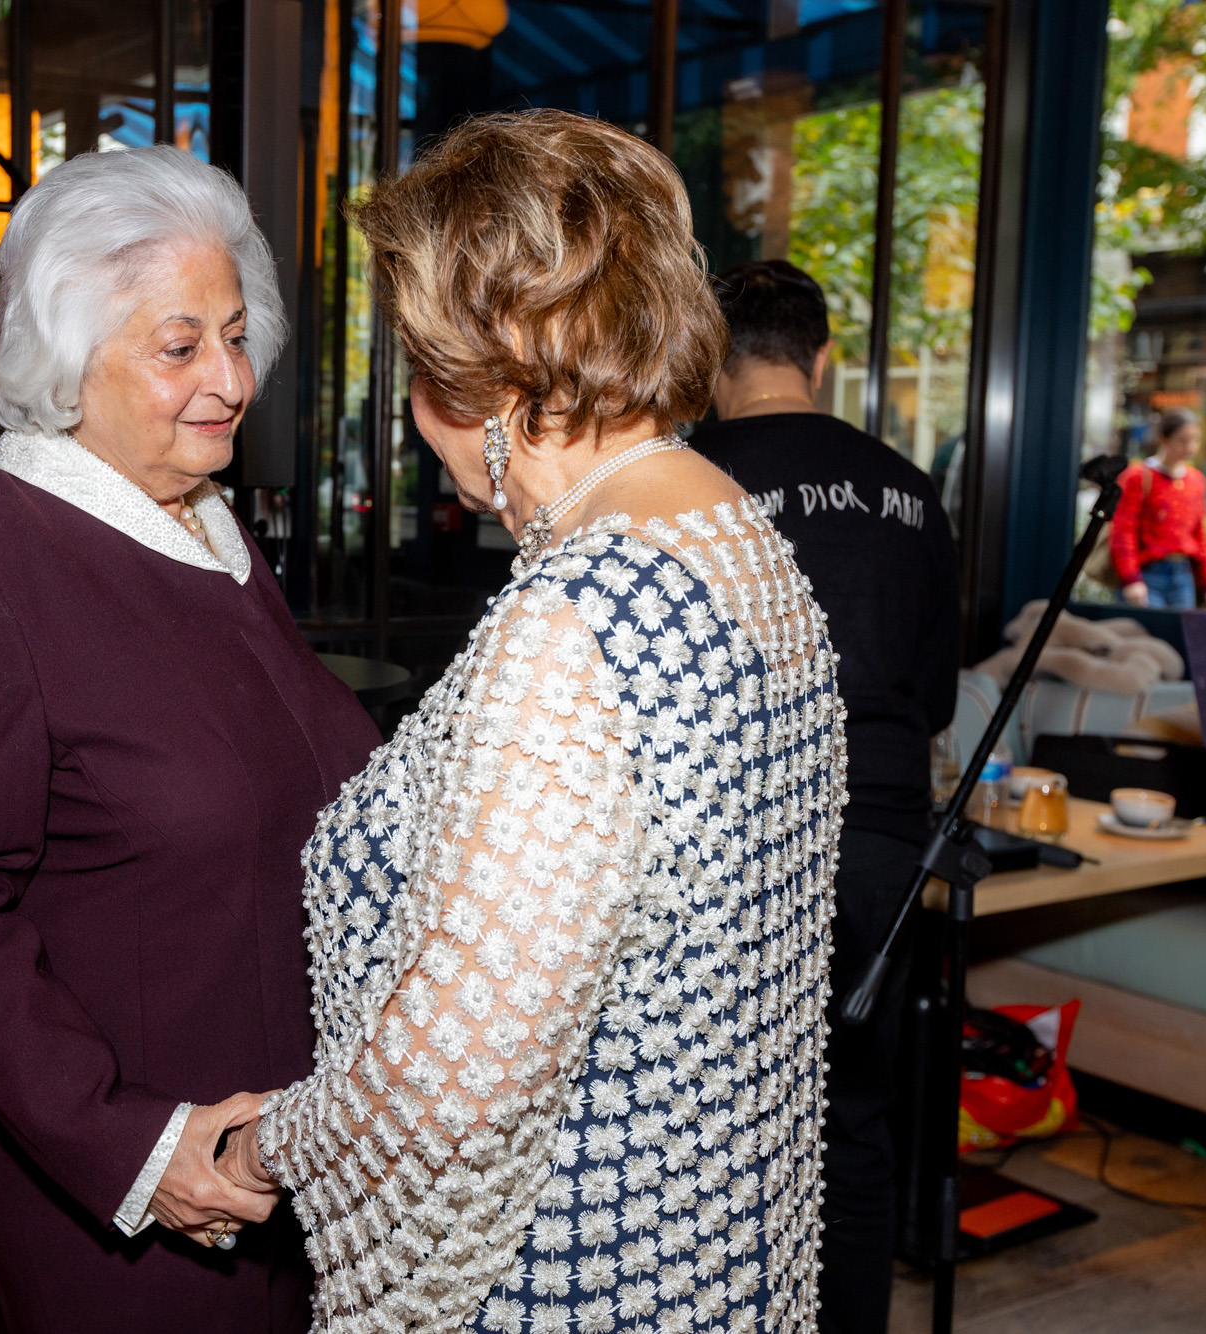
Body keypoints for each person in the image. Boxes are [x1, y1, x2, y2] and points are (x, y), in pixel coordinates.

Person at [217, 110, 844, 1333]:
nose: (413, 408)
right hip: (714, 1252)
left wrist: (262, 1146)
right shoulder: (736, 538)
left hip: (573, 1277)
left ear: (498, 373)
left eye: (418, 364)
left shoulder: (575, 621)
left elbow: (452, 1075)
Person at [0, 145, 384, 1331]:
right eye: (178, 345)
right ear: (67, 357)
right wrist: (137, 1146)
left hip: (278, 1158)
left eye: (235, 336)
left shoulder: (214, 531)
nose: (229, 379)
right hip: (135, 1187)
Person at [687, 259, 960, 1334]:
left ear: (711, 360)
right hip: (883, 840)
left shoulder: (685, 478)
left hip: (741, 836)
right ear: (823, 356)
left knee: (713, 1120)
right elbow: (935, 695)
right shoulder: (910, 489)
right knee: (853, 1119)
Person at [1113, 408, 1206, 611]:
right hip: (1147, 574)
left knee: (1180, 631)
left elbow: (1200, 535)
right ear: (1163, 438)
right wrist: (1131, 579)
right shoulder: (1139, 476)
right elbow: (1123, 531)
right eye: (1183, 440)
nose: (1190, 447)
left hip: (1183, 576)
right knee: (1147, 631)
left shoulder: (1196, 480)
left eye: (1195, 440)